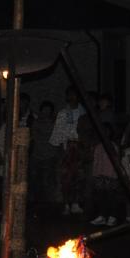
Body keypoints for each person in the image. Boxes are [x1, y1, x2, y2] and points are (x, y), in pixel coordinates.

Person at [49, 86, 86, 215]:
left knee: (79, 177)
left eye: (74, 94)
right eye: (69, 94)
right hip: (66, 147)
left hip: (80, 148)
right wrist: (60, 149)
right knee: (65, 178)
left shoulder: (84, 112)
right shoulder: (63, 113)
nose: (72, 97)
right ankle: (66, 204)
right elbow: (58, 133)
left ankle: (76, 203)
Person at [89, 123, 120, 227]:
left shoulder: (113, 146)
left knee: (112, 197)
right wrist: (95, 175)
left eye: (107, 131)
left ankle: (112, 217)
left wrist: (114, 175)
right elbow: (96, 161)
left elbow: (116, 161)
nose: (105, 133)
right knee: (101, 197)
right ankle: (102, 216)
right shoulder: (98, 146)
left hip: (111, 176)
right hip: (100, 176)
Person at [30, 101, 59, 205]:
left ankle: (48, 203)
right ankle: (35, 202)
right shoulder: (36, 122)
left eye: (48, 110)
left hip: (49, 155)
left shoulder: (54, 122)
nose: (46, 112)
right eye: (44, 110)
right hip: (36, 154)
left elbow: (55, 138)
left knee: (47, 181)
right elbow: (34, 136)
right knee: (34, 180)